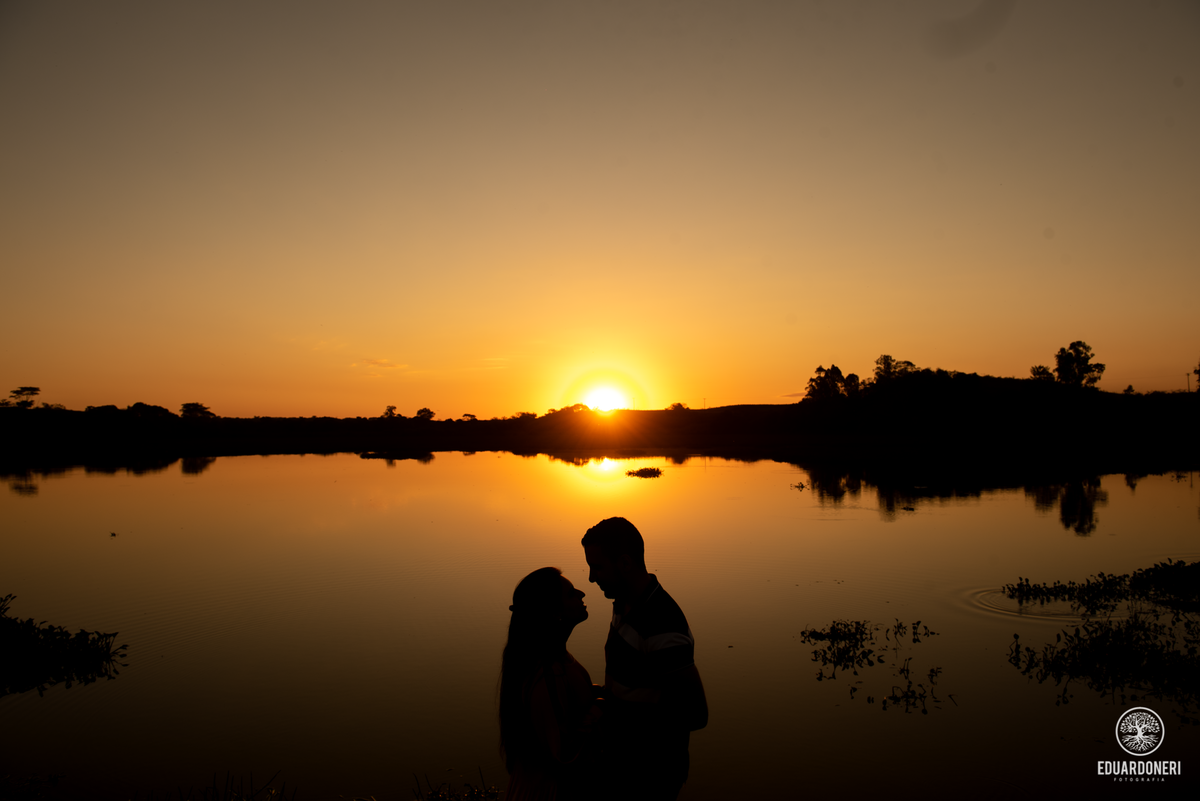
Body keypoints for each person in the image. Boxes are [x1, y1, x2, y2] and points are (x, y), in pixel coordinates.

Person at [582, 517, 708, 801]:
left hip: (649, 775)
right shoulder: (624, 602)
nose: (591, 578)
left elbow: (696, 714)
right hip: (622, 766)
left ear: (625, 563)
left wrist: (615, 718)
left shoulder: (661, 623)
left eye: (597, 567)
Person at [500, 567, 605, 801]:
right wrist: (600, 706)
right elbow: (565, 757)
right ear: (554, 612)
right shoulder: (546, 674)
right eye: (570, 593)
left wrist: (594, 693)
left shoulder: (556, 659)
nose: (582, 593)